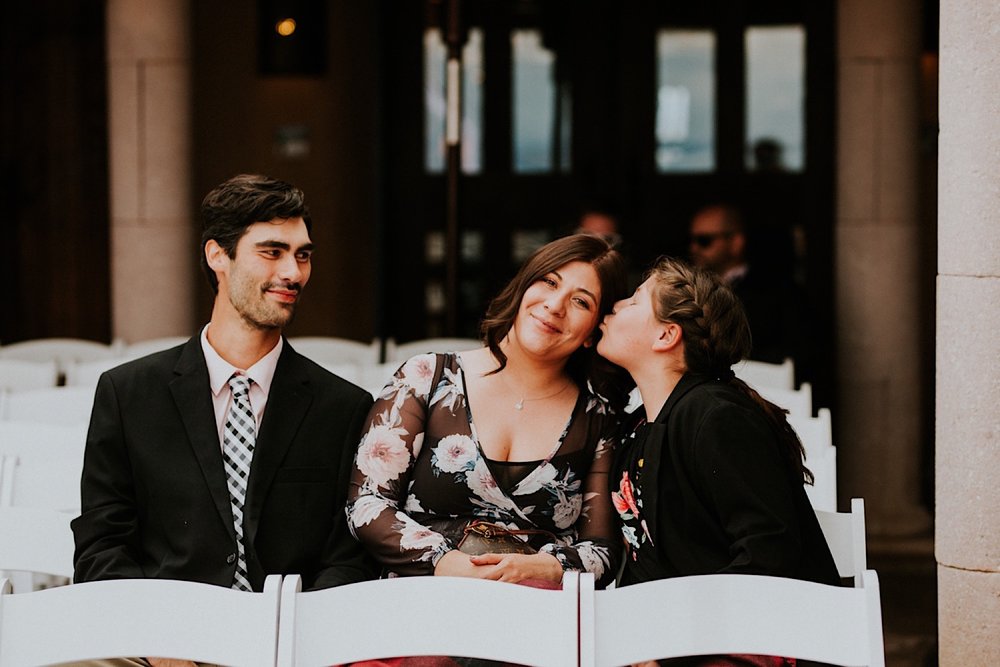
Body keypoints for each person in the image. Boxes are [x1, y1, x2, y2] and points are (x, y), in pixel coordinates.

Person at [72, 174, 375, 666]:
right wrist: (159, 643)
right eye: (272, 252)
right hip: (156, 649)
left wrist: (295, 644)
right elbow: (101, 545)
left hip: (294, 648)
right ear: (218, 255)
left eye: (302, 254)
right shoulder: (128, 393)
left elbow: (349, 558)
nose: (294, 273)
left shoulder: (343, 406)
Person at [346, 234, 629, 593]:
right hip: (421, 604)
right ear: (524, 287)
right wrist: (445, 561)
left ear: (592, 333)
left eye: (580, 302)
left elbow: (603, 549)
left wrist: (547, 566)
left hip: (535, 616)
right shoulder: (425, 378)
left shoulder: (598, 420)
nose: (555, 305)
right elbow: (367, 503)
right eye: (549, 282)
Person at [597, 257, 839, 667]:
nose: (615, 306)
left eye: (634, 301)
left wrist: (672, 650)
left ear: (666, 335)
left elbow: (768, 551)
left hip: (750, 643)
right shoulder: (640, 428)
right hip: (669, 643)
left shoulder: (716, 415)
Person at [688, 203, 808, 373]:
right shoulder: (689, 289)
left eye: (704, 241)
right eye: (691, 240)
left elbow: (795, 349)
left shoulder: (775, 290)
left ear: (736, 242)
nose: (694, 248)